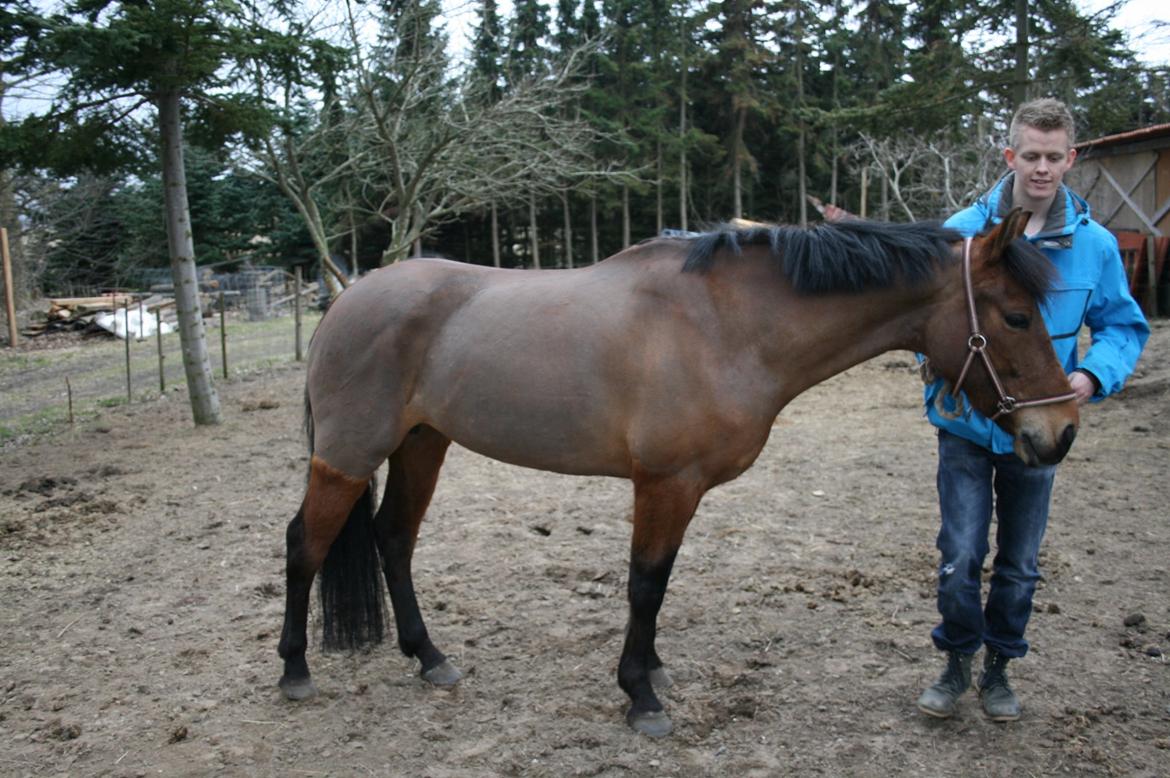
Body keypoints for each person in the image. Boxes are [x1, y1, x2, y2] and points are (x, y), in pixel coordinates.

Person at [916, 98, 1149, 722]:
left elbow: (1124, 327)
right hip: (967, 423)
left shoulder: (1095, 247)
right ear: (1009, 155)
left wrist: (1091, 373)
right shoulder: (963, 234)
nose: (1041, 168)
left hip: (1041, 426)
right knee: (960, 554)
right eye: (1030, 155)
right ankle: (957, 659)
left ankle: (998, 671)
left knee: (1019, 563)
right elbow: (931, 326)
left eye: (1053, 157)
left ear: (1070, 159)